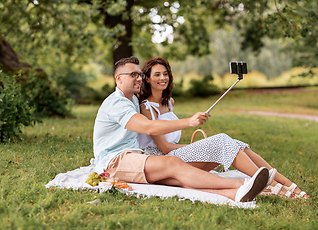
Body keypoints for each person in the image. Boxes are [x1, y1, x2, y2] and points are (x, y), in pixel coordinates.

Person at [93, 56, 270, 203]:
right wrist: (189, 122)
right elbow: (148, 126)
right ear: (119, 78)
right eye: (133, 74)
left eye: (139, 74)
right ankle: (242, 184)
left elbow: (153, 94)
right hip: (114, 161)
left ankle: (235, 194)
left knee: (175, 178)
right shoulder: (116, 103)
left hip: (135, 156)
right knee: (173, 163)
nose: (138, 78)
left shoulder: (131, 98)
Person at [137, 57, 308, 199]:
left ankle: (290, 185)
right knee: (221, 140)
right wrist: (200, 147)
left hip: (176, 154)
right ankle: (276, 187)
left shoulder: (169, 102)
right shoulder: (146, 107)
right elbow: (165, 147)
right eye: (157, 74)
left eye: (165, 74)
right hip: (162, 159)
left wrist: (201, 147)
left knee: (235, 143)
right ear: (147, 78)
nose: (162, 78)